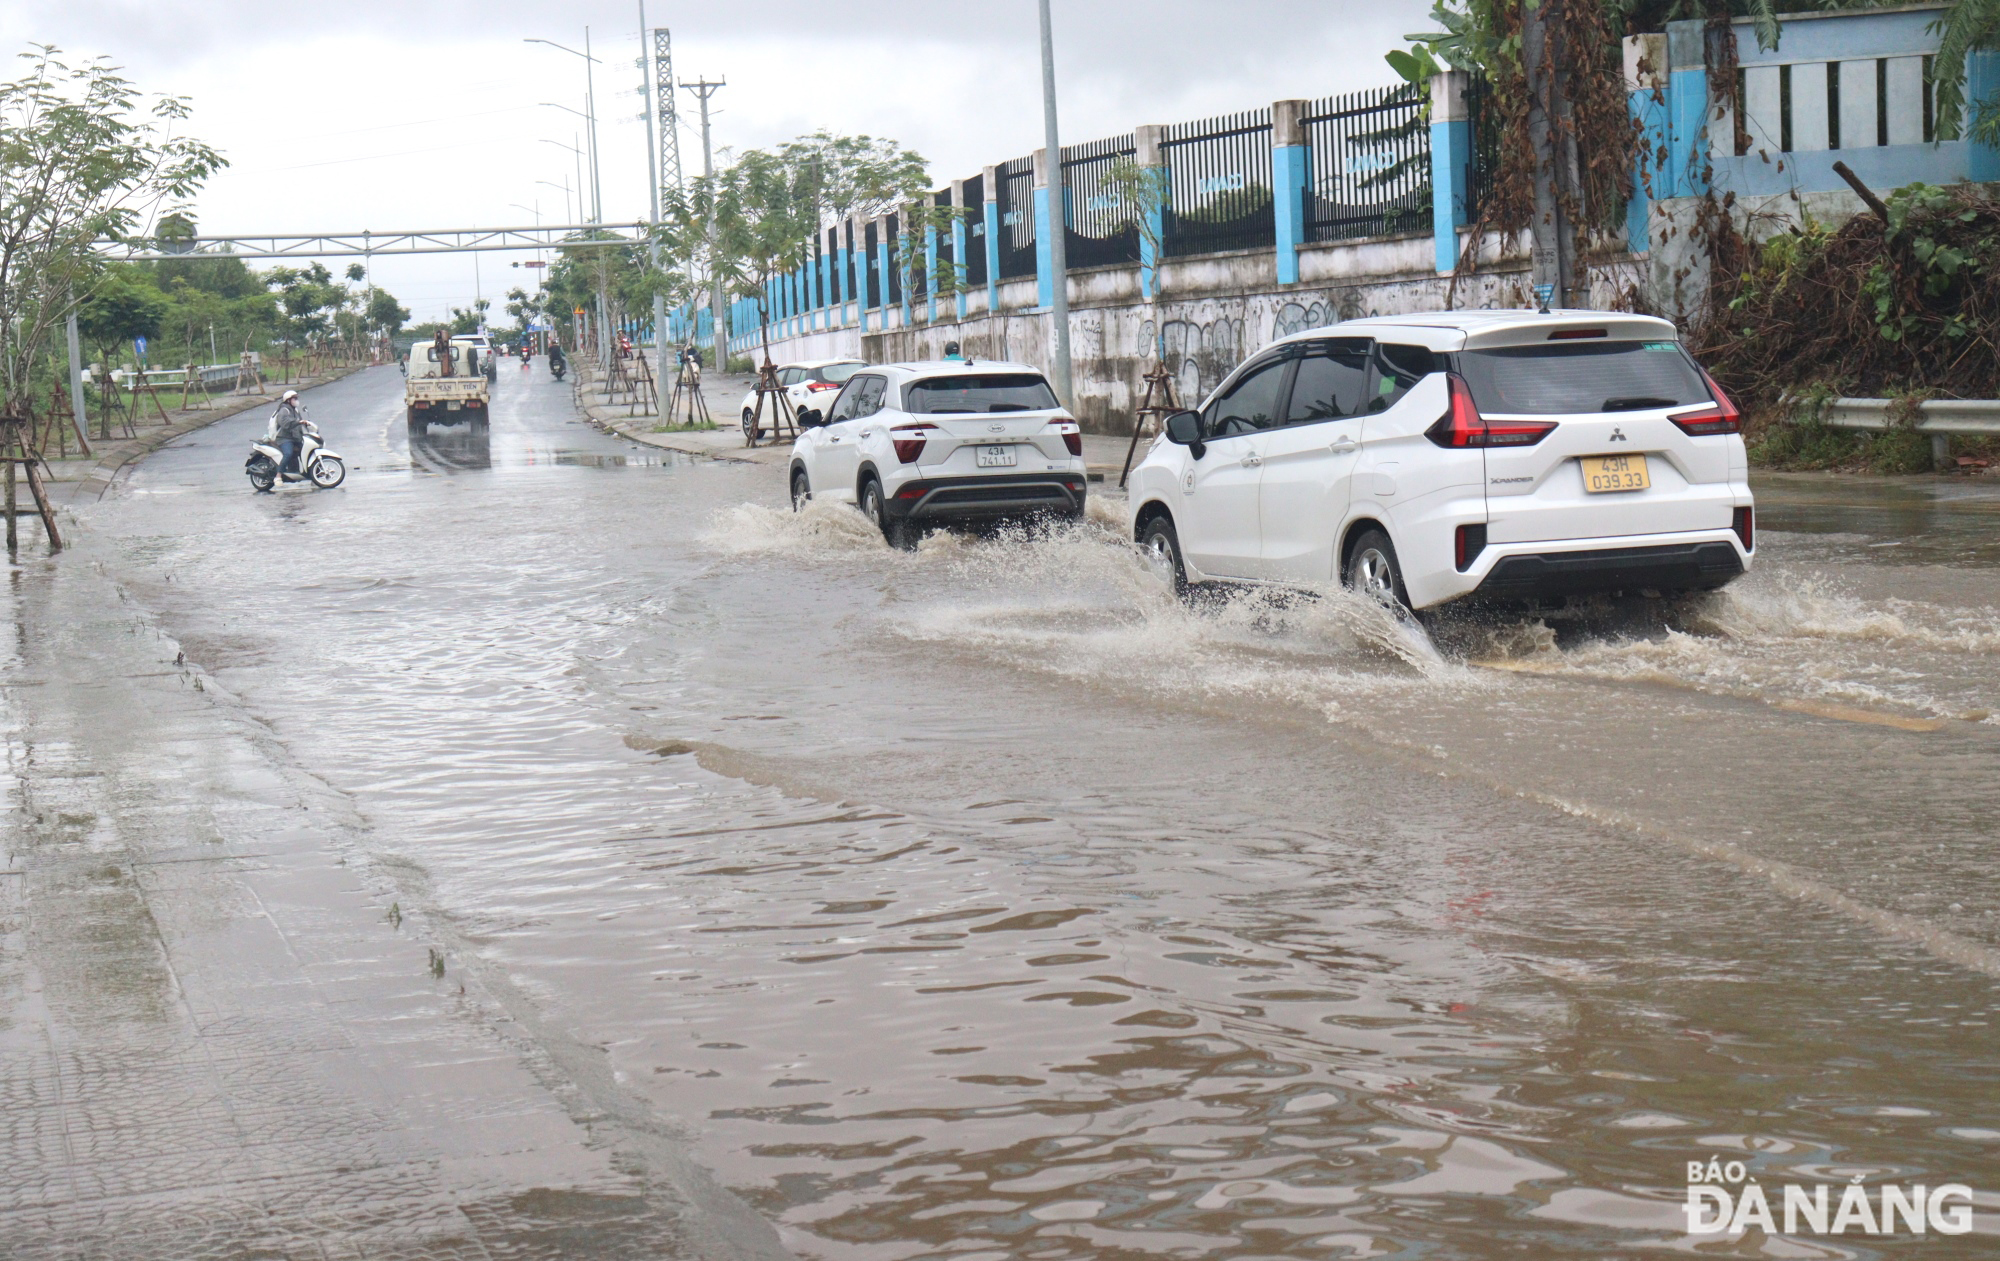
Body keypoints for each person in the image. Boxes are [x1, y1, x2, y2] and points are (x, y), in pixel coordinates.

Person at [272, 390, 307, 476]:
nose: (296, 400)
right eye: (294, 398)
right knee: (288, 453)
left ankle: (310, 474)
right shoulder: (284, 410)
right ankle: (278, 475)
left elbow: (299, 423)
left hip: (295, 437)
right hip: (284, 438)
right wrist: (298, 422)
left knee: (306, 451)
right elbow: (285, 423)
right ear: (288, 400)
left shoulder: (295, 410)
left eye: (296, 398)